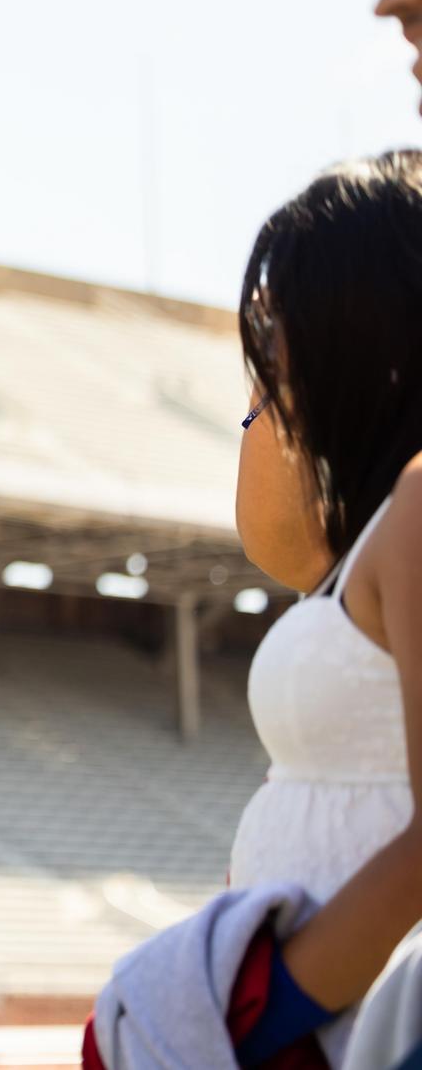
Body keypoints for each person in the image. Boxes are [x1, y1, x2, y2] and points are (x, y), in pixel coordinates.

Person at [219, 153, 422, 1064]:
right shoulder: (379, 516)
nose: (273, 344)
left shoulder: (420, 506)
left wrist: (267, 1009)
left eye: (287, 310)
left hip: (361, 1023)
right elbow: (270, 526)